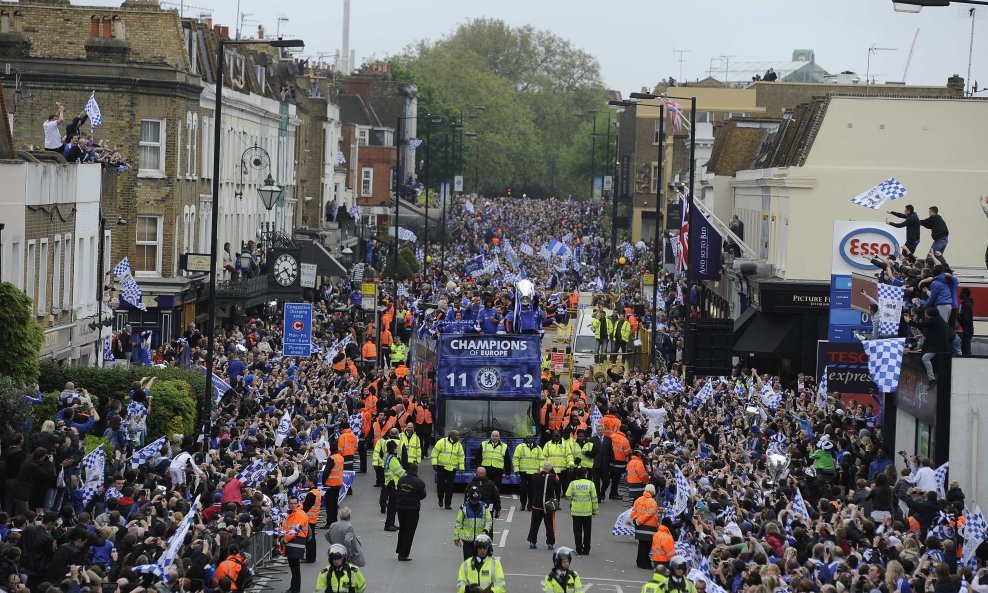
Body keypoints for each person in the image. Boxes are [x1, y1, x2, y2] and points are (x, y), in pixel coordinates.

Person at [395, 462, 427, 561]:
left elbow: (398, 490)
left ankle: (400, 551)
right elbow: (423, 496)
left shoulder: (401, 480)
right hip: (413, 509)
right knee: (409, 531)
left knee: (402, 529)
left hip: (401, 508)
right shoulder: (419, 482)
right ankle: (404, 554)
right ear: (416, 471)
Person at [565, 467, 598, 555]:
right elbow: (594, 499)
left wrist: (574, 497)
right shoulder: (590, 484)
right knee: (587, 531)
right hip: (587, 512)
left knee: (577, 531)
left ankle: (579, 549)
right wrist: (595, 511)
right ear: (585, 474)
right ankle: (586, 549)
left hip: (576, 512)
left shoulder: (573, 484)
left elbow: (567, 496)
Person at [528, 460, 561, 550]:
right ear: (550, 469)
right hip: (548, 505)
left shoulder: (535, 476)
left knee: (534, 524)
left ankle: (532, 541)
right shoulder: (551, 477)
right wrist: (554, 473)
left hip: (536, 504)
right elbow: (558, 484)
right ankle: (550, 543)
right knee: (549, 525)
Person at [280, 495, 309, 593]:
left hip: (295, 542)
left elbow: (294, 530)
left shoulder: (299, 514)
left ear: (297, 503)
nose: (292, 505)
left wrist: (285, 540)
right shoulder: (292, 514)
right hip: (293, 542)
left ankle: (295, 589)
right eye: (291, 503)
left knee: (295, 568)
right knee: (294, 568)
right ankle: (293, 588)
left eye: (294, 503)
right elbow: (286, 527)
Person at [455, 489, 494, 560]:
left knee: (480, 562)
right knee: (468, 562)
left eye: (476, 500)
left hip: (480, 540)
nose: (475, 502)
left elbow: (489, 521)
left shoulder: (484, 507)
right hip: (467, 541)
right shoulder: (463, 508)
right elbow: (458, 523)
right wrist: (456, 538)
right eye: (473, 500)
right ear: (469, 498)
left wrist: (485, 530)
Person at [433, 430, 465, 509]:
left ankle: (448, 504)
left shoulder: (459, 445)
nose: (459, 437)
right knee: (440, 485)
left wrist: (461, 468)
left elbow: (461, 457)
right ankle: (440, 498)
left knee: (450, 487)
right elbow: (434, 453)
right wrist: (434, 464)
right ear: (452, 436)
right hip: (441, 467)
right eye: (457, 435)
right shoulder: (442, 442)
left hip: (452, 469)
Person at [631, 484, 660, 569]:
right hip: (649, 527)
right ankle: (644, 563)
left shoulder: (638, 500)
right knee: (646, 546)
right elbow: (649, 514)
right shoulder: (652, 502)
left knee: (641, 545)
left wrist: (635, 520)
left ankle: (639, 562)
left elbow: (633, 512)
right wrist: (639, 521)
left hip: (639, 527)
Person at [513, 433, 542, 510]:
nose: (530, 440)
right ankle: (523, 504)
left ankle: (530, 505)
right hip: (524, 472)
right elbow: (516, 458)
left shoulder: (538, 448)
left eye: (531, 438)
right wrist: (516, 469)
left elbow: (541, 460)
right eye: (528, 438)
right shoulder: (520, 447)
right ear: (525, 439)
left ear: (533, 439)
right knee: (523, 489)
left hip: (534, 473)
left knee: (532, 490)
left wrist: (542, 471)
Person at [382, 439, 405, 531]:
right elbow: (400, 472)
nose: (397, 448)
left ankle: (391, 523)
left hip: (389, 483)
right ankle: (389, 525)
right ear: (393, 449)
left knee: (392, 506)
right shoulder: (393, 459)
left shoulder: (388, 457)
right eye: (396, 447)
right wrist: (407, 475)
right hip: (393, 484)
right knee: (393, 507)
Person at [323, 441, 344, 529]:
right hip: (338, 483)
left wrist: (323, 482)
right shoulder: (340, 458)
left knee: (329, 505)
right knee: (334, 504)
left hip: (330, 484)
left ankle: (330, 522)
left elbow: (326, 471)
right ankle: (334, 520)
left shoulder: (331, 458)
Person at [301, 476, 322, 562]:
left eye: (307, 481)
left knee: (309, 539)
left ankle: (310, 558)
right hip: (313, 518)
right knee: (311, 538)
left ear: (311, 482)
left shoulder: (311, 494)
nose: (306, 483)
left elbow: (305, 507)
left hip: (308, 519)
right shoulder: (317, 492)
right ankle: (311, 557)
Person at [958, 287, 974, 356]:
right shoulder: (966, 304)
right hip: (967, 330)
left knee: (966, 350)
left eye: (961, 293)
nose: (959, 294)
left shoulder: (966, 305)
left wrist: (957, 318)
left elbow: (966, 319)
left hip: (966, 331)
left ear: (964, 294)